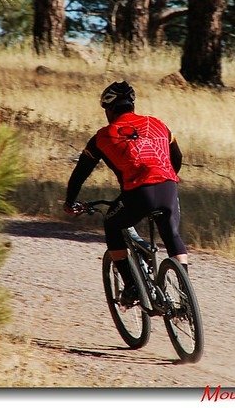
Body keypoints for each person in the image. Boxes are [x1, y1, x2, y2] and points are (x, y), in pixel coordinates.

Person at [64, 80, 188, 306]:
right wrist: (165, 178)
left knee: (112, 223)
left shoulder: (103, 135)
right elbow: (177, 159)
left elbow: (80, 172)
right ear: (132, 105)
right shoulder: (158, 124)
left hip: (139, 193)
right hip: (169, 186)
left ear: (109, 109)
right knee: (172, 235)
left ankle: (131, 285)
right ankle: (185, 295)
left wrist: (70, 202)